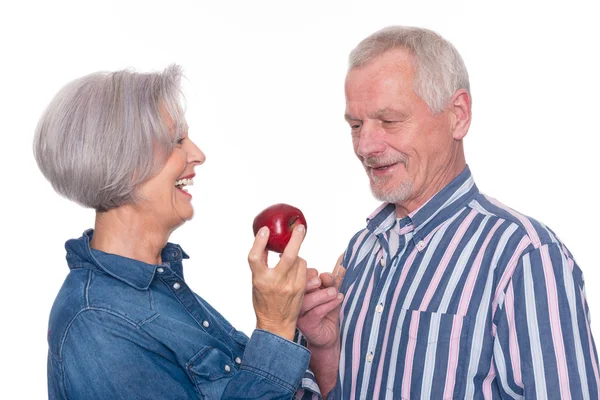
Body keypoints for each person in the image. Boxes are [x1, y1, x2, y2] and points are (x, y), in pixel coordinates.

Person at [297, 26, 600, 399]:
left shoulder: (524, 256)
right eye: (356, 125)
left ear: (458, 115)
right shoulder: (361, 250)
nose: (365, 146)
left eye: (389, 121)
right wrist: (323, 351)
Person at [35, 65, 319, 399]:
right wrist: (274, 328)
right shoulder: (97, 323)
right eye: (176, 141)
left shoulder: (158, 289)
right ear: (122, 161)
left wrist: (301, 334)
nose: (198, 154)